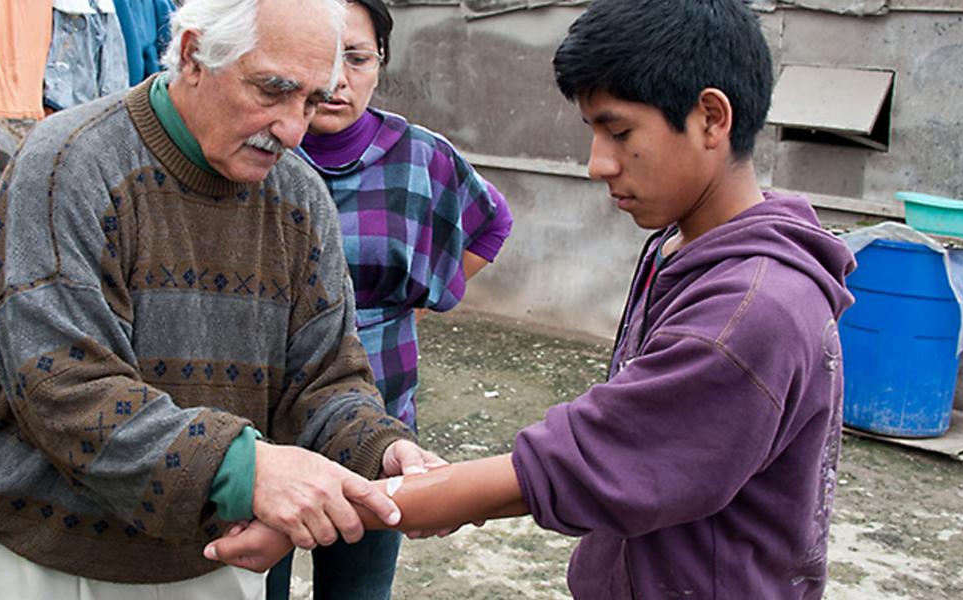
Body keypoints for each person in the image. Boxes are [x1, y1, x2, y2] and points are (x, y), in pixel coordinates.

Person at [209, 0, 856, 598]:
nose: (598, 163)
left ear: (711, 118)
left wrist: (311, 521)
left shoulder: (748, 312)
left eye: (618, 130)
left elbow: (581, 461)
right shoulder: (680, 245)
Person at [0, 0, 446, 596]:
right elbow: (62, 386)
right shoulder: (67, 165)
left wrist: (377, 446)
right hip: (53, 561)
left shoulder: (301, 199)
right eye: (273, 91)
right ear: (192, 55)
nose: (293, 129)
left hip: (214, 559)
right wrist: (247, 468)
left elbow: (324, 377)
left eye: (310, 101)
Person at [264, 0, 513, 598]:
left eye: (357, 57)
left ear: (381, 62)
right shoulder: (257, 149)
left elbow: (491, 223)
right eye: (323, 56)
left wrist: (418, 299)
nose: (337, 78)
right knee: (254, 580)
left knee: (359, 585)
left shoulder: (420, 155)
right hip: (263, 412)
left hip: (379, 407)